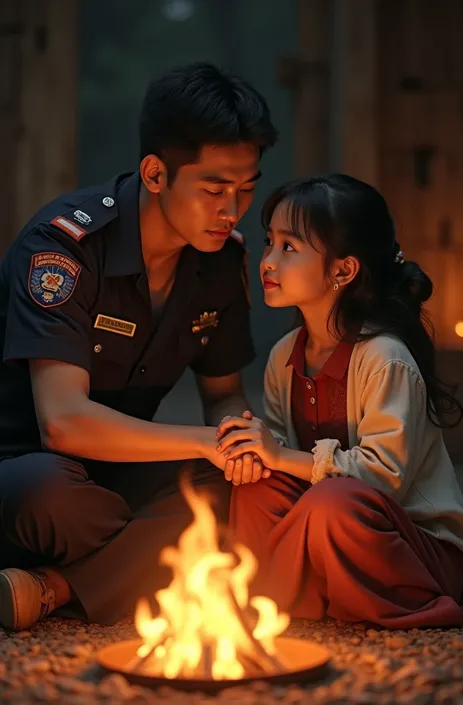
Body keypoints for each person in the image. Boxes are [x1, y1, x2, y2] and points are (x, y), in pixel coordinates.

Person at [0, 62, 277, 631]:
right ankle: (147, 551)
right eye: (214, 188)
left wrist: (238, 440)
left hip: (117, 469)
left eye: (247, 188)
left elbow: (223, 393)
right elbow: (64, 425)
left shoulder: (222, 261)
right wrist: (205, 444)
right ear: (155, 174)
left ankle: (52, 586)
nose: (232, 209)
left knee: (244, 488)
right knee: (53, 498)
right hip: (25, 465)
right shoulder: (65, 246)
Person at [216, 174, 463, 629]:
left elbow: (382, 478)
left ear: (343, 270)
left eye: (289, 248)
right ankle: (278, 597)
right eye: (269, 242)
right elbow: (281, 458)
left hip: (412, 547)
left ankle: (310, 591)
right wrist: (257, 454)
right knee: (255, 485)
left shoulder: (385, 359)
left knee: (333, 502)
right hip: (323, 526)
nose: (268, 262)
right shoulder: (284, 357)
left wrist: (280, 455)